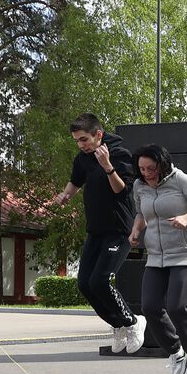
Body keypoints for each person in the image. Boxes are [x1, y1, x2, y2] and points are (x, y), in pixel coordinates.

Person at [53, 113, 145, 354]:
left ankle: (134, 322)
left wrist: (107, 167)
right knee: (84, 283)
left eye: (84, 139)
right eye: (76, 141)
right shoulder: (82, 158)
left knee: (101, 280)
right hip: (96, 230)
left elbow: (121, 190)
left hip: (118, 230)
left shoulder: (120, 154)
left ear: (99, 135)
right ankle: (118, 325)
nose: (81, 145)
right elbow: (76, 181)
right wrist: (66, 195)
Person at [128, 144, 187, 374]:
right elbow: (141, 214)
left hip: (184, 252)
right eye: (142, 169)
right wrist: (136, 230)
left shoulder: (181, 180)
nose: (147, 173)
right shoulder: (139, 186)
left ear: (163, 164)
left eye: (151, 168)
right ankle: (176, 351)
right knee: (150, 307)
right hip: (156, 256)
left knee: (177, 306)